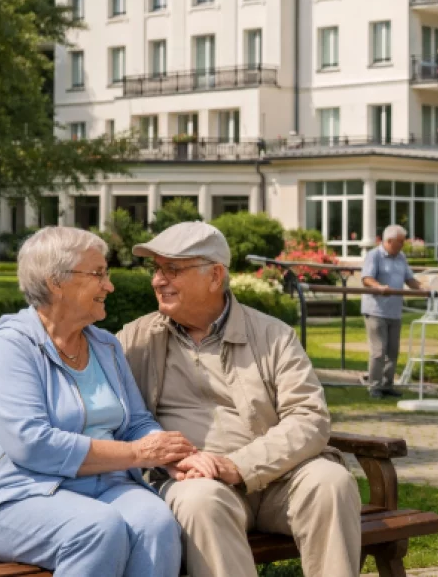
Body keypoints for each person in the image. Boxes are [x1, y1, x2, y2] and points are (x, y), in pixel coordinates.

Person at [114, 221, 363, 577]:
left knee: (331, 482)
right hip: (194, 481)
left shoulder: (273, 335)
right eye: (156, 269)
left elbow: (309, 418)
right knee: (201, 501)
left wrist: (238, 466)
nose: (158, 280)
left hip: (279, 478)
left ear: (215, 276)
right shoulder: (135, 340)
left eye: (172, 269)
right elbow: (110, 415)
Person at [0, 227, 187, 577]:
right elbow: (31, 444)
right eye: (98, 274)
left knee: (157, 523)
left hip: (100, 487)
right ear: (55, 282)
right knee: (96, 529)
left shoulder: (105, 345)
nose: (109, 286)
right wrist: (138, 454)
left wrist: (168, 453)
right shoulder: (11, 345)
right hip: (7, 497)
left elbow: (135, 421)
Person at [361, 224, 423, 398]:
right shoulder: (374, 256)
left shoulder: (401, 257)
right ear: (389, 241)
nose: (403, 245)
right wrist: (379, 286)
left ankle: (387, 385)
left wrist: (423, 289)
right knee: (378, 351)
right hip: (376, 310)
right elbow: (366, 278)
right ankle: (374, 386)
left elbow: (409, 279)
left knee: (392, 351)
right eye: (400, 242)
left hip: (394, 311)